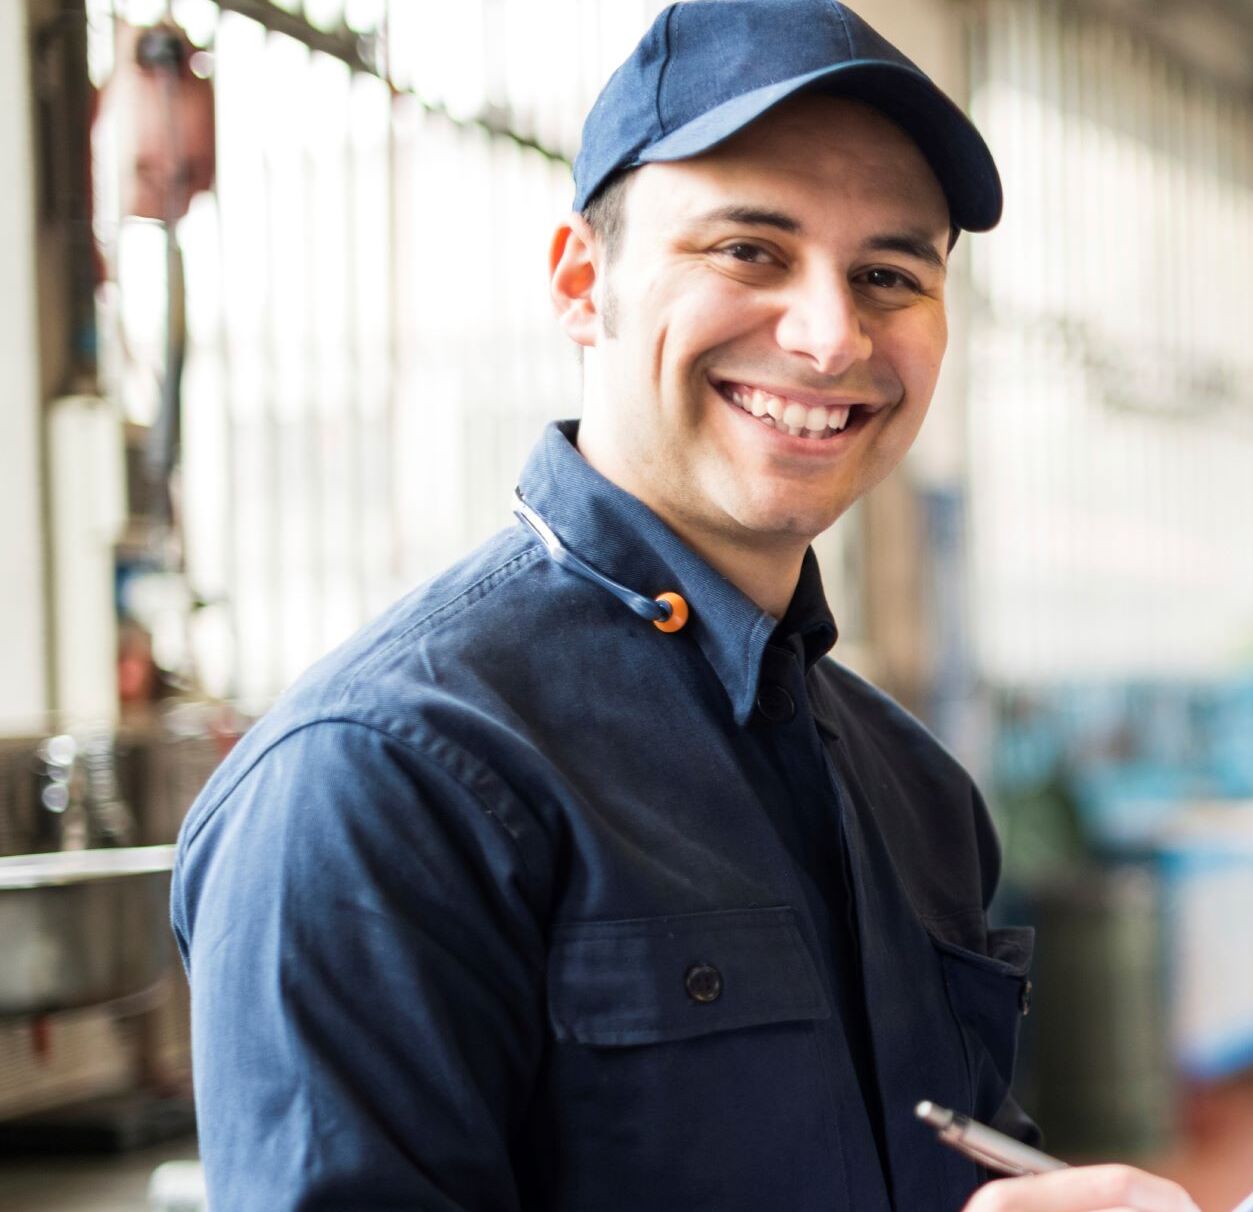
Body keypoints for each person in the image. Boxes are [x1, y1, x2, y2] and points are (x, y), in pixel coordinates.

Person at [169, 3, 1199, 1209]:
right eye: (748, 251)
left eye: (888, 275)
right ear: (578, 282)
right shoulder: (383, 781)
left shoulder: (913, 792)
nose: (828, 337)